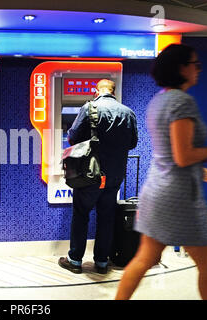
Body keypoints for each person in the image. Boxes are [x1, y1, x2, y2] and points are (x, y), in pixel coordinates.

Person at [115, 44, 207, 300]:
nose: (198, 69)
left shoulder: (160, 100)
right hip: (180, 200)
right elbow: (183, 156)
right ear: (181, 68)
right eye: (195, 64)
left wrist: (205, 173)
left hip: (158, 192)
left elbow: (171, 155)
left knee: (145, 258)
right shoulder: (182, 101)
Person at [58, 79, 138, 274]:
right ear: (114, 91)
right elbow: (133, 143)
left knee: (81, 214)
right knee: (106, 217)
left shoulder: (90, 107)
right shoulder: (128, 113)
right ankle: (102, 262)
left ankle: (75, 260)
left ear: (96, 91)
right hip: (114, 176)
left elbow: (73, 137)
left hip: (89, 174)